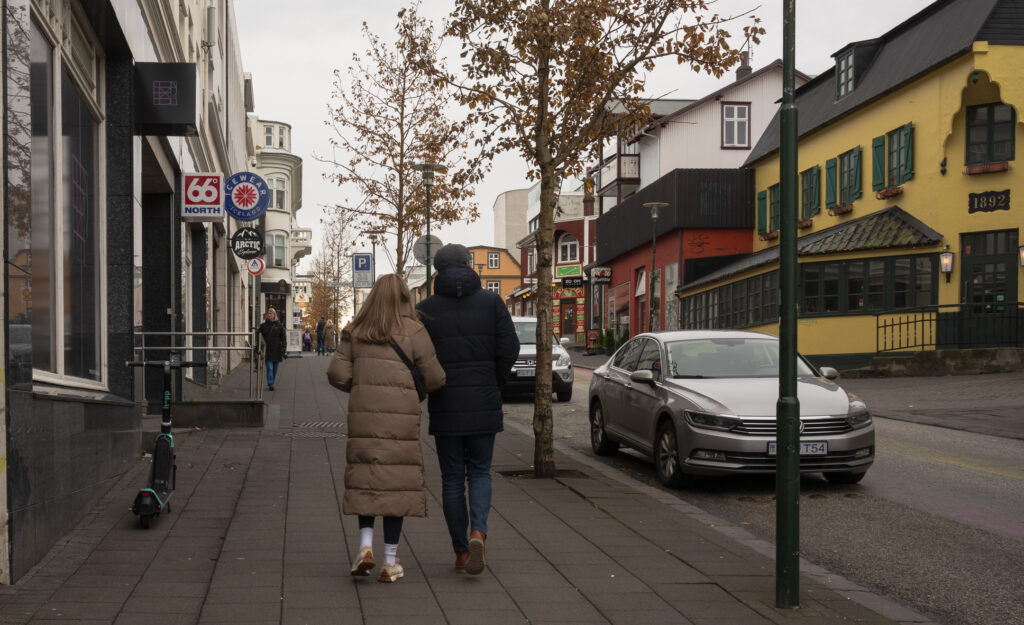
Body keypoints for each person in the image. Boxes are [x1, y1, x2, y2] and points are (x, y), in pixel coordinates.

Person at [327, 274, 445, 583]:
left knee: (366, 480)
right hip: (401, 421)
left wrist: (364, 384)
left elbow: (337, 374)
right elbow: (435, 378)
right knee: (395, 484)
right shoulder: (415, 331)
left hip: (364, 420)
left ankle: (365, 547)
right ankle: (390, 562)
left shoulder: (355, 330)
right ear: (405, 298)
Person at [416, 244, 519, 575]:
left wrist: (428, 388)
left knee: (450, 478)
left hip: (445, 403)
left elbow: (418, 358)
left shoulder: (425, 309)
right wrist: (495, 381)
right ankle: (479, 532)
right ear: (467, 265)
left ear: (437, 271)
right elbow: (510, 348)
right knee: (479, 471)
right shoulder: (491, 303)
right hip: (483, 400)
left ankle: (461, 552)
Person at [257, 308, 286, 390]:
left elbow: (283, 338)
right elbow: (258, 338)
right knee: (270, 368)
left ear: (274, 315)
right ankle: (271, 384)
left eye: (271, 313)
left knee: (275, 369)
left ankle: (271, 380)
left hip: (277, 350)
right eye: (268, 313)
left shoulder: (279, 326)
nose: (269, 315)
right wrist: (258, 347)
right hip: (267, 350)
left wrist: (284, 348)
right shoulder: (263, 326)